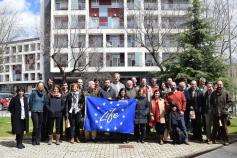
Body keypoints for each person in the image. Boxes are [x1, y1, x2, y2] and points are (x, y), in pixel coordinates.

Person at [210, 80, 233, 145]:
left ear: (222, 85)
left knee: (224, 127)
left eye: (220, 84)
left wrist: (226, 108)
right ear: (216, 85)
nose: (219, 86)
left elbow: (230, 101)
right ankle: (213, 140)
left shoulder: (226, 92)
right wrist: (213, 109)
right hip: (216, 112)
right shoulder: (213, 93)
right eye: (218, 84)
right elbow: (211, 103)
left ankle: (226, 140)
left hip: (223, 113)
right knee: (214, 127)